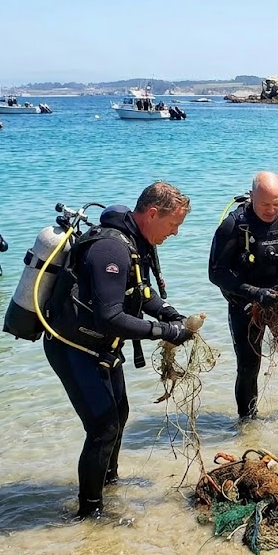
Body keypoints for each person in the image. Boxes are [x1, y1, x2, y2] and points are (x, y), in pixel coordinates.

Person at [44, 181, 194, 519]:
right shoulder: (110, 249)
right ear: (152, 214)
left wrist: (167, 312)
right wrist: (165, 331)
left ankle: (108, 484)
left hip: (101, 348)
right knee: (102, 426)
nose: (175, 233)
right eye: (173, 225)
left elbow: (140, 292)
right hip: (73, 347)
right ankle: (90, 514)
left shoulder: (135, 242)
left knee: (118, 416)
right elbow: (110, 316)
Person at [208, 171, 278, 419]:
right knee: (249, 366)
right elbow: (216, 272)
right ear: (251, 197)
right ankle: (247, 424)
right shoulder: (234, 225)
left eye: (276, 203)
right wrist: (255, 293)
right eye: (264, 204)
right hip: (246, 304)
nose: (271, 210)